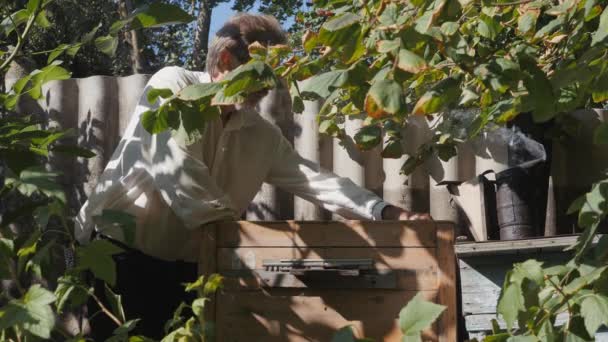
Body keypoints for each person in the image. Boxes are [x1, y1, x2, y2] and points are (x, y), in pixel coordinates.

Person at [75, 13, 431, 338]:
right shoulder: (172, 85)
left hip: (189, 266)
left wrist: (385, 212)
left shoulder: (259, 133)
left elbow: (314, 179)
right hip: (118, 253)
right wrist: (239, 241)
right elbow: (176, 167)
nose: (270, 85)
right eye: (264, 72)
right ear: (227, 61)